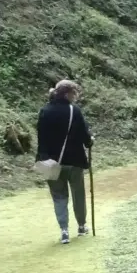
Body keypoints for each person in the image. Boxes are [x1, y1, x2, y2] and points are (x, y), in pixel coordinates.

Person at [36, 80, 93, 244]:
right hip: (74, 161)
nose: (76, 97)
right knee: (78, 194)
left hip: (49, 162)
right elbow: (85, 136)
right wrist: (90, 142)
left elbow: (41, 137)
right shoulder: (74, 110)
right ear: (68, 94)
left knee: (59, 197)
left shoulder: (44, 111)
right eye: (74, 93)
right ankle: (82, 226)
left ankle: (64, 230)